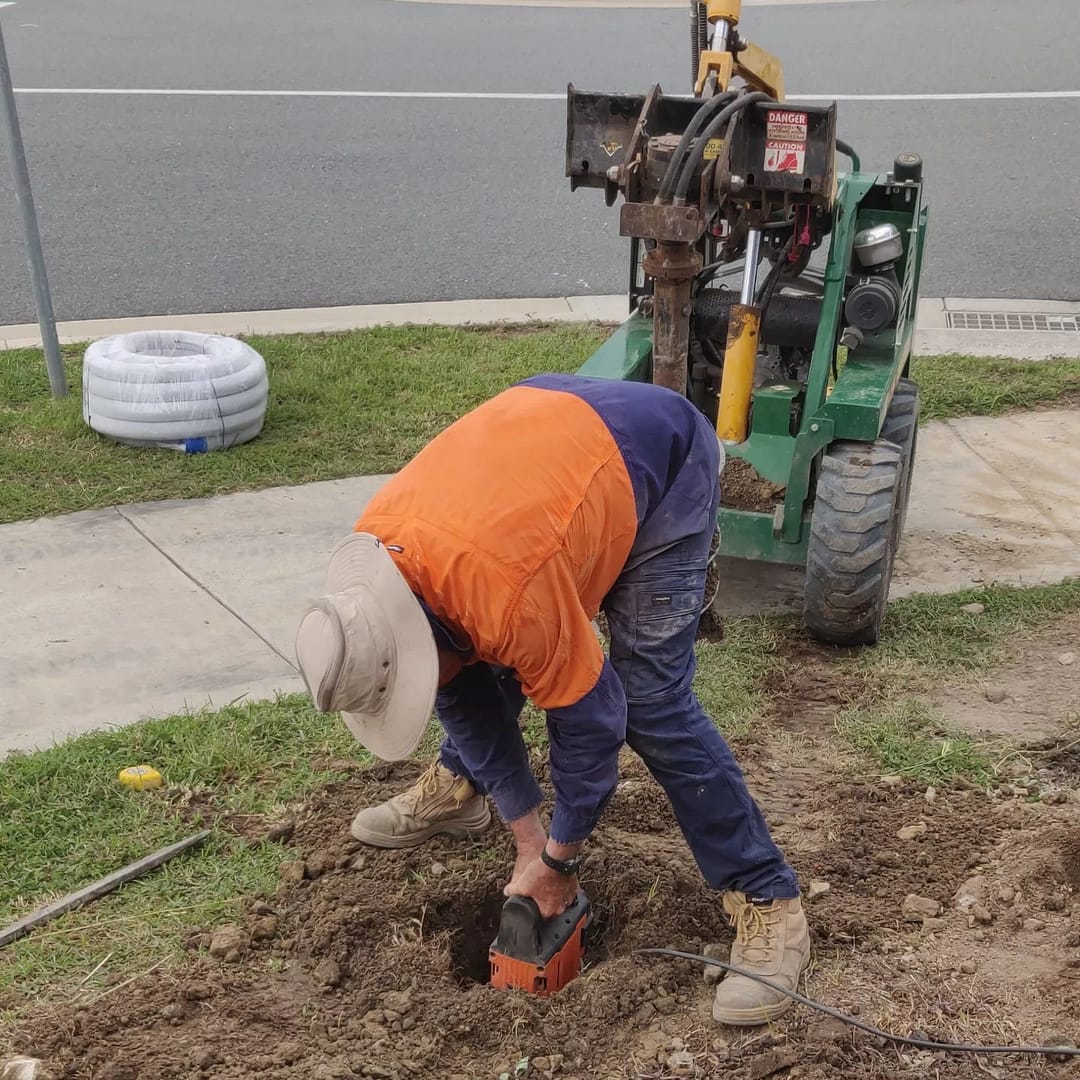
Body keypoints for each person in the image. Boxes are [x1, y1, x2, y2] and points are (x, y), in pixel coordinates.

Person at [295, 373, 809, 1025]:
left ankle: (767, 899)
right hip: (545, 457)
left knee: (650, 700)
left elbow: (592, 724)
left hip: (661, 458)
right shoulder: (380, 571)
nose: (427, 693)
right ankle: (463, 788)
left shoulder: (507, 597)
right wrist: (526, 836)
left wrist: (558, 857)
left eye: (418, 682)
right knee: (477, 656)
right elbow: (459, 688)